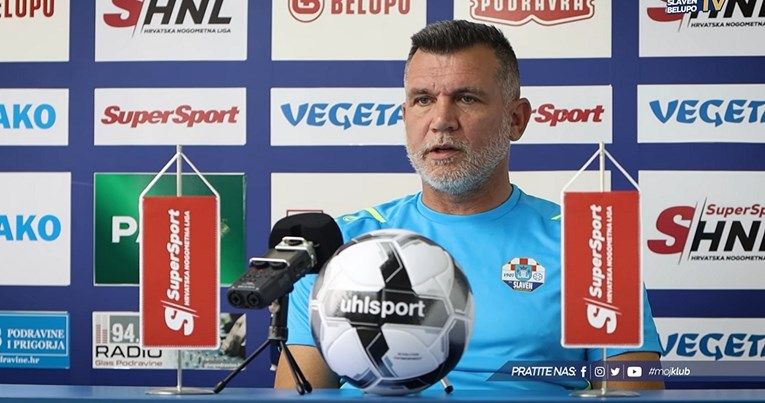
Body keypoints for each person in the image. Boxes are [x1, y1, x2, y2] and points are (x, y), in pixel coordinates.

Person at [274, 19, 663, 391]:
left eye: (466, 98)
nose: (442, 120)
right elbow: (301, 393)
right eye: (423, 100)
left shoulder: (592, 244)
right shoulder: (338, 246)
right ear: (405, 116)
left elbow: (632, 391)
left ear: (516, 119)